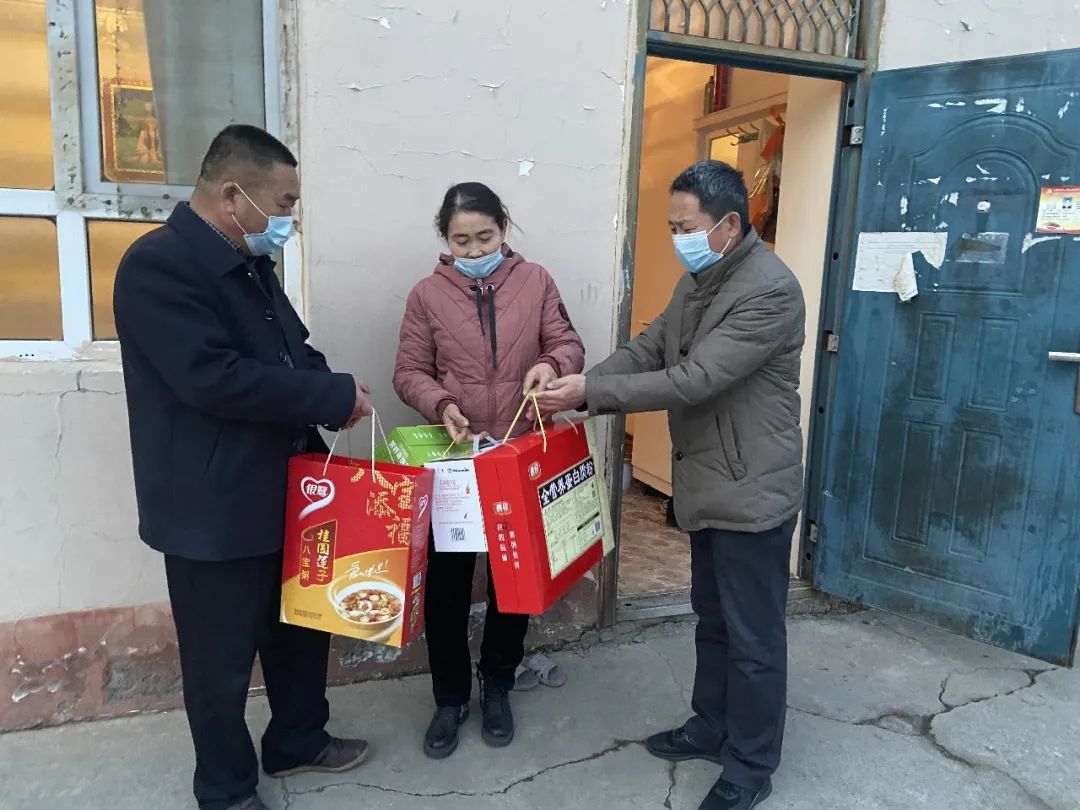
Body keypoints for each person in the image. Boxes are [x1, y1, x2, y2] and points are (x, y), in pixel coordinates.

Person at [114, 125, 372, 810]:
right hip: (211, 506)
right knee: (219, 663)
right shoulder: (158, 267)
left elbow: (293, 352)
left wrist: (336, 390)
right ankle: (226, 789)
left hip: (287, 490)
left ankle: (298, 740)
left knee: (300, 630)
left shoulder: (250, 264)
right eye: (284, 203)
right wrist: (327, 396)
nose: (289, 218)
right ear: (233, 196)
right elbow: (213, 379)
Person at [536, 160, 805, 810]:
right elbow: (650, 348)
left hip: (751, 489)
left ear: (729, 225)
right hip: (710, 483)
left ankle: (750, 764)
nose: (678, 237)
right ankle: (711, 726)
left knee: (753, 637)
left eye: (686, 227)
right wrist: (581, 389)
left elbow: (695, 379)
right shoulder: (699, 282)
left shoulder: (770, 290)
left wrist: (592, 393)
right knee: (712, 617)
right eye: (672, 226)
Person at [393, 182, 585, 759]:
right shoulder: (427, 295)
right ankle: (450, 697)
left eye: (485, 236)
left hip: (520, 455)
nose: (475, 250)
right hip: (458, 461)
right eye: (462, 240)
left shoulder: (536, 281)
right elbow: (408, 370)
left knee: (514, 583)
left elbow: (568, 343)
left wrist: (550, 364)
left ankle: (498, 681)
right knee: (447, 588)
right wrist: (441, 404)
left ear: (504, 229)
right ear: (445, 239)